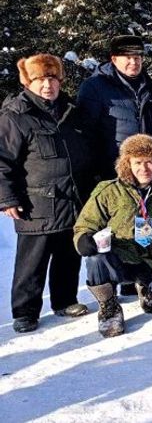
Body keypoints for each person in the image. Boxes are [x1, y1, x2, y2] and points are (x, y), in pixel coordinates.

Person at [0, 55, 94, 333]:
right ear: (28, 82)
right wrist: (7, 198)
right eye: (40, 79)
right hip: (36, 202)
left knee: (68, 254)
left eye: (52, 78)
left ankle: (65, 300)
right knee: (33, 260)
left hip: (72, 198)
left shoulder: (70, 110)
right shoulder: (15, 115)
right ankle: (25, 311)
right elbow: (2, 160)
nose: (47, 85)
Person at [73, 134, 152, 338]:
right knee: (95, 259)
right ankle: (108, 306)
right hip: (118, 257)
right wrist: (83, 239)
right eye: (138, 162)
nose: (144, 168)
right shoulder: (110, 190)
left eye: (149, 162)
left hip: (151, 258)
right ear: (127, 164)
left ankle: (147, 289)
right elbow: (84, 225)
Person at [77, 35, 152, 180]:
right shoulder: (94, 87)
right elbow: (85, 132)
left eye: (137, 57)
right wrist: (93, 170)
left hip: (146, 171)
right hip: (111, 170)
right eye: (127, 57)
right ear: (114, 59)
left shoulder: (151, 88)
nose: (133, 62)